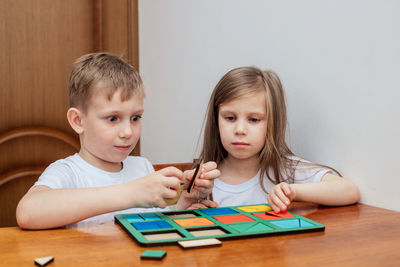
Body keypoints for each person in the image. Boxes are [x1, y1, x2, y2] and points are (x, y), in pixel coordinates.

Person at [16, 53, 219, 229]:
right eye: (112, 118)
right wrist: (132, 192)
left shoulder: (143, 167)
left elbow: (153, 226)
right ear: (78, 121)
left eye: (135, 118)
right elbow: (28, 212)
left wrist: (183, 203)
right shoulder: (68, 172)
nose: (127, 132)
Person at [197, 66, 360, 212]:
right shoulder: (203, 180)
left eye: (254, 120)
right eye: (230, 118)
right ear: (216, 120)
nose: (240, 130)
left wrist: (293, 192)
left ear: (272, 123)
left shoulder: (285, 169)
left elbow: (349, 190)